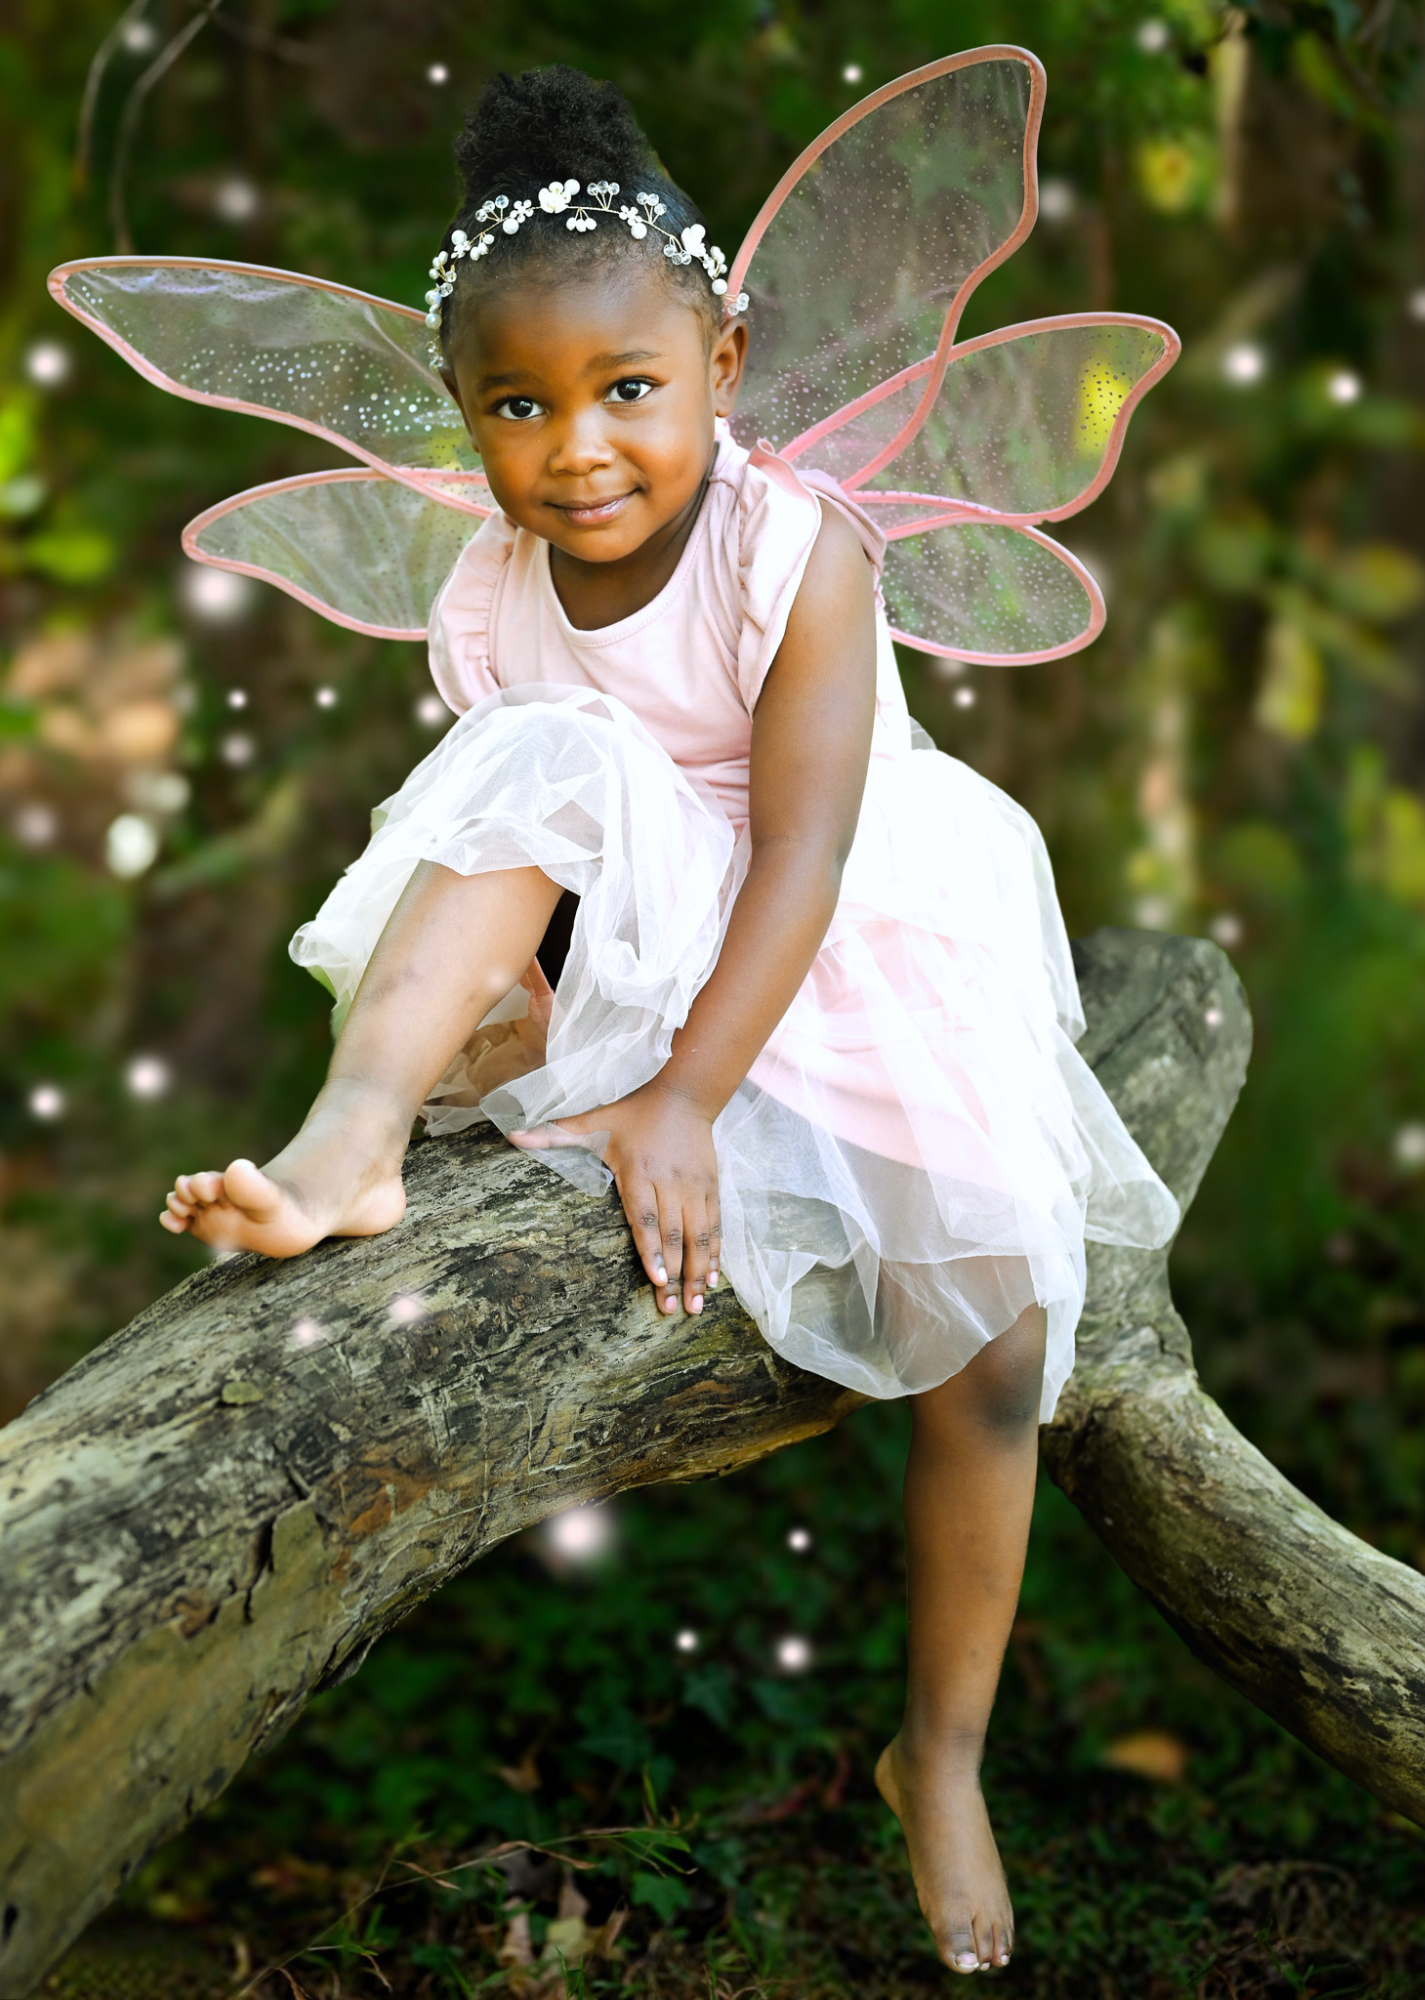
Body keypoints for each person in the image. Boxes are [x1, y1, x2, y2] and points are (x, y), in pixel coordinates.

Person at [156, 64, 1179, 1979]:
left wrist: (691, 1098)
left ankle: (939, 1752)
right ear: (462, 416)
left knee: (998, 1341)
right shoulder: (493, 598)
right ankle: (349, 1144)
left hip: (844, 926)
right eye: (519, 407)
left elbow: (799, 850)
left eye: (628, 389)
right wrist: (530, 1023)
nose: (580, 448)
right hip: (639, 945)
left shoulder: (799, 553)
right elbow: (516, 837)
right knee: (534, 750)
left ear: (722, 355)